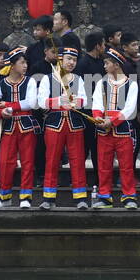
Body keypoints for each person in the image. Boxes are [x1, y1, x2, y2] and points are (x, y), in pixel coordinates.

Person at [36, 46, 90, 209]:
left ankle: (80, 198)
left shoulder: (78, 79)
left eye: (74, 60)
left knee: (78, 161)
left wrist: (73, 101)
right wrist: (59, 100)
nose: (72, 62)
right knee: (52, 160)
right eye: (68, 59)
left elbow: (85, 101)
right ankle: (48, 198)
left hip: (74, 124)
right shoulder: (48, 78)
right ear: (60, 59)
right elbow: (41, 102)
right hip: (54, 124)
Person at [0, 47, 38, 208]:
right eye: (22, 62)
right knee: (5, 162)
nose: (25, 65)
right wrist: (1, 113)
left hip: (26, 126)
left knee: (27, 162)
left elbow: (32, 102)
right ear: (13, 65)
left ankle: (25, 198)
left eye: (25, 62)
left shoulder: (30, 81)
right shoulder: (2, 83)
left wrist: (8, 105)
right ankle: (5, 197)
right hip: (8, 127)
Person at [90, 46, 138, 208]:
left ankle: (129, 196)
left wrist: (113, 120)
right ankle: (104, 196)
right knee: (104, 165)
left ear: (116, 65)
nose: (104, 66)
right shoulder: (101, 83)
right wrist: (98, 117)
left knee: (126, 165)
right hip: (104, 130)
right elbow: (96, 103)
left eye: (107, 63)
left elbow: (130, 108)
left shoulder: (131, 84)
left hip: (123, 130)